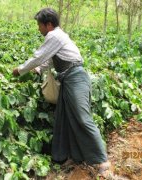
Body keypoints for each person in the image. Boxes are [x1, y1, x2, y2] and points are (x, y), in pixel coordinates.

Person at [13, 8, 116, 179]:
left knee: (83, 118)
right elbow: (46, 61)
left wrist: (20, 70)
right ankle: (75, 157)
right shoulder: (57, 37)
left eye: (39, 25)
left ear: (49, 25)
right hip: (68, 80)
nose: (38, 29)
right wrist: (37, 70)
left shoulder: (54, 36)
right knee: (66, 119)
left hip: (76, 79)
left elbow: (38, 57)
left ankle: (102, 161)